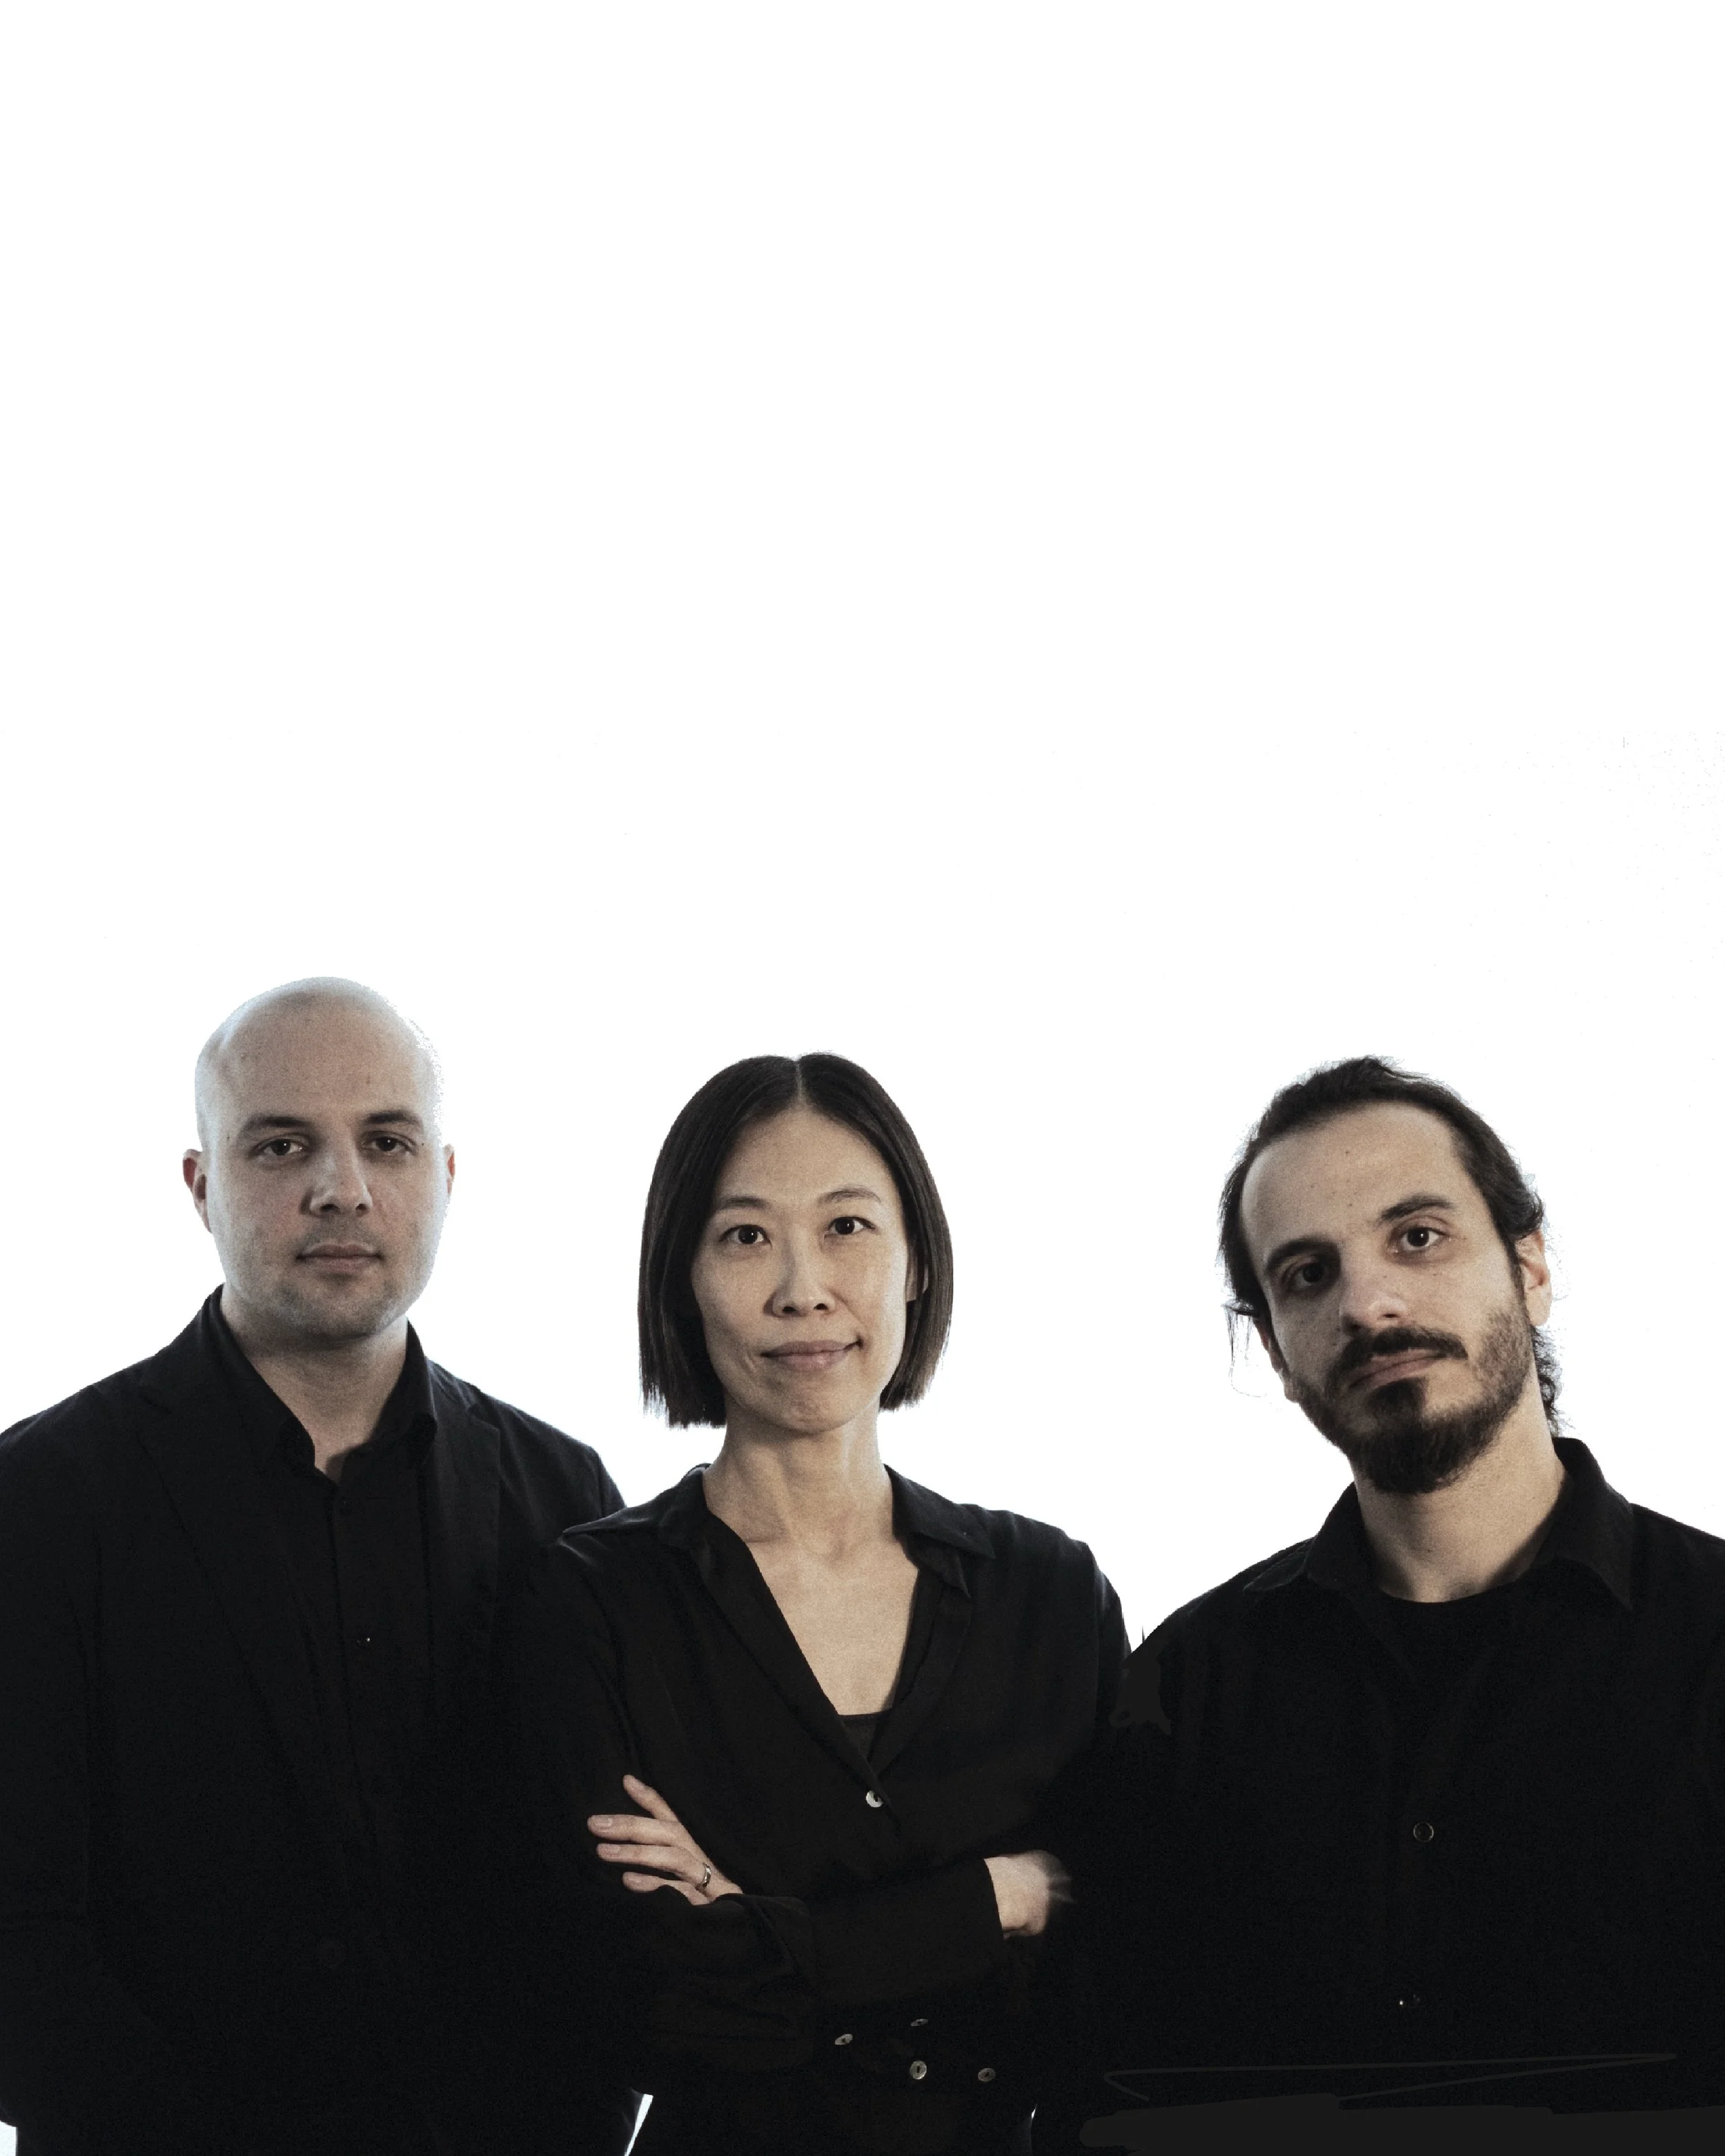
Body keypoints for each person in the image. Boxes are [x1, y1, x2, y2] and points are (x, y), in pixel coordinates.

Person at [1041, 1056, 1725, 2148]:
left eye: (1417, 1237)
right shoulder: (1188, 1682)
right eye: (1309, 1275)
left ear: (1531, 1267)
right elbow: (1110, 2090)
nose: (1370, 1304)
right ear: (1274, 1348)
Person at [0, 979, 634, 2156]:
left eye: (386, 1141)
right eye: (281, 1143)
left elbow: (600, 1912)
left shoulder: (569, 1502)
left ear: (444, 1179)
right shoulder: (36, 1502)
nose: (340, 1186)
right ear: (202, 1187)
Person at [501, 1054, 1126, 2155]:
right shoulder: (593, 1602)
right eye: (745, 1235)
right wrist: (998, 1897)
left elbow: (1120, 1962)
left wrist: (766, 1938)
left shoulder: (1052, 1595)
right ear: (680, 1278)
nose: (803, 1287)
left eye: (848, 1227)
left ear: (918, 1263)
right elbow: (657, 2007)